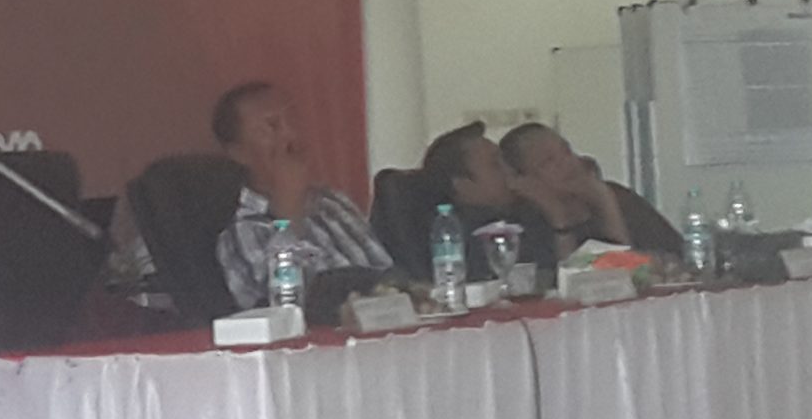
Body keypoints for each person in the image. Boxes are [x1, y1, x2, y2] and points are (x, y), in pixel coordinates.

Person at [211, 81, 391, 308]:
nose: (291, 134)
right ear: (239, 153)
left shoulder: (334, 203)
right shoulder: (241, 233)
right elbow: (287, 307)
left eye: (293, 119)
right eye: (271, 127)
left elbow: (387, 278)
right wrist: (289, 210)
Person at [499, 121, 685, 259]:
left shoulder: (618, 196)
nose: (568, 163)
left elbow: (675, 256)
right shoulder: (523, 221)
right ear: (525, 179)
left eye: (566, 151)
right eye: (548, 161)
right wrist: (559, 220)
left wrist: (606, 202)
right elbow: (569, 281)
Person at [417, 121, 559, 277]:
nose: (509, 170)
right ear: (464, 185)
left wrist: (556, 212)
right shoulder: (462, 239)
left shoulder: (525, 209)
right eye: (495, 165)